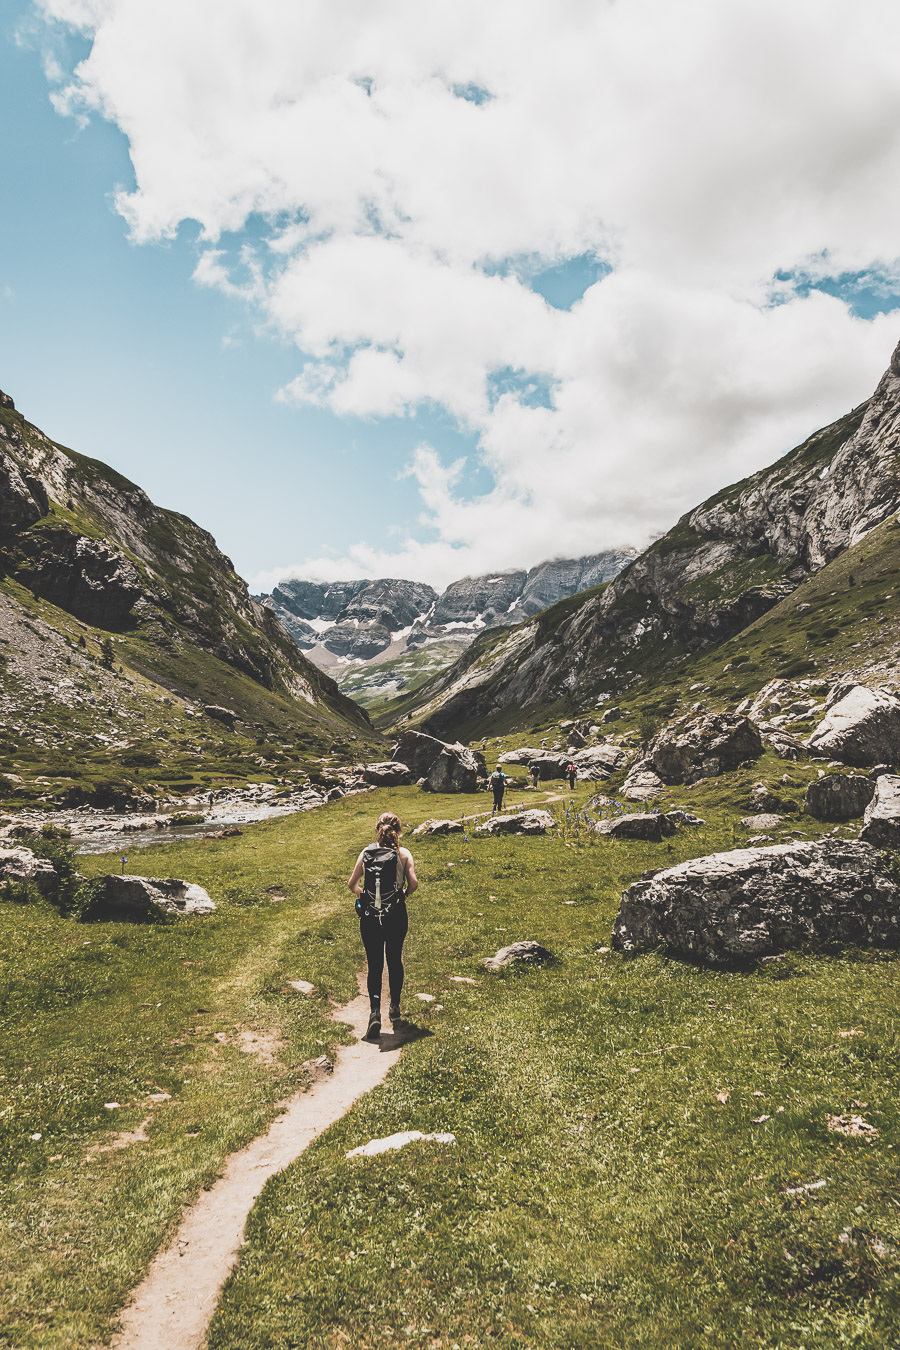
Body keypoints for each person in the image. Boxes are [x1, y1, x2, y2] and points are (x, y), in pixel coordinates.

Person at [348, 811, 418, 1041]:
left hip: (370, 916)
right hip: (396, 914)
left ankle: (374, 1013)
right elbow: (413, 883)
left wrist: (366, 896)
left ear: (377, 828)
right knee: (395, 959)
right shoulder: (404, 853)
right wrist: (403, 894)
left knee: (375, 963)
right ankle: (395, 1008)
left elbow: (352, 884)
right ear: (398, 830)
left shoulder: (367, 852)